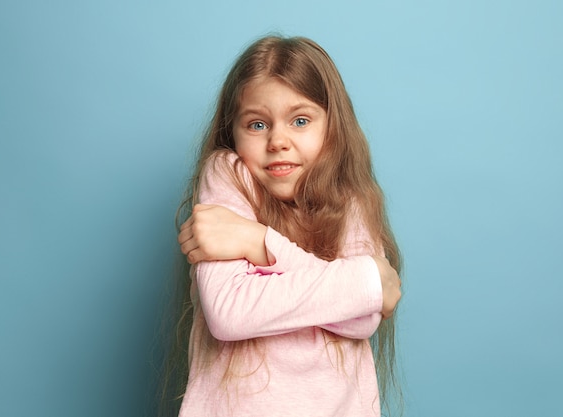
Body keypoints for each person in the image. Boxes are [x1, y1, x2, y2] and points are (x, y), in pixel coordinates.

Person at [167, 35, 402, 417]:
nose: (278, 140)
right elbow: (228, 312)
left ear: (333, 128)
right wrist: (362, 281)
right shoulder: (229, 175)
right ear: (234, 131)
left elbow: (363, 320)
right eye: (257, 124)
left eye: (300, 120)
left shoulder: (351, 200)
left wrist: (257, 242)